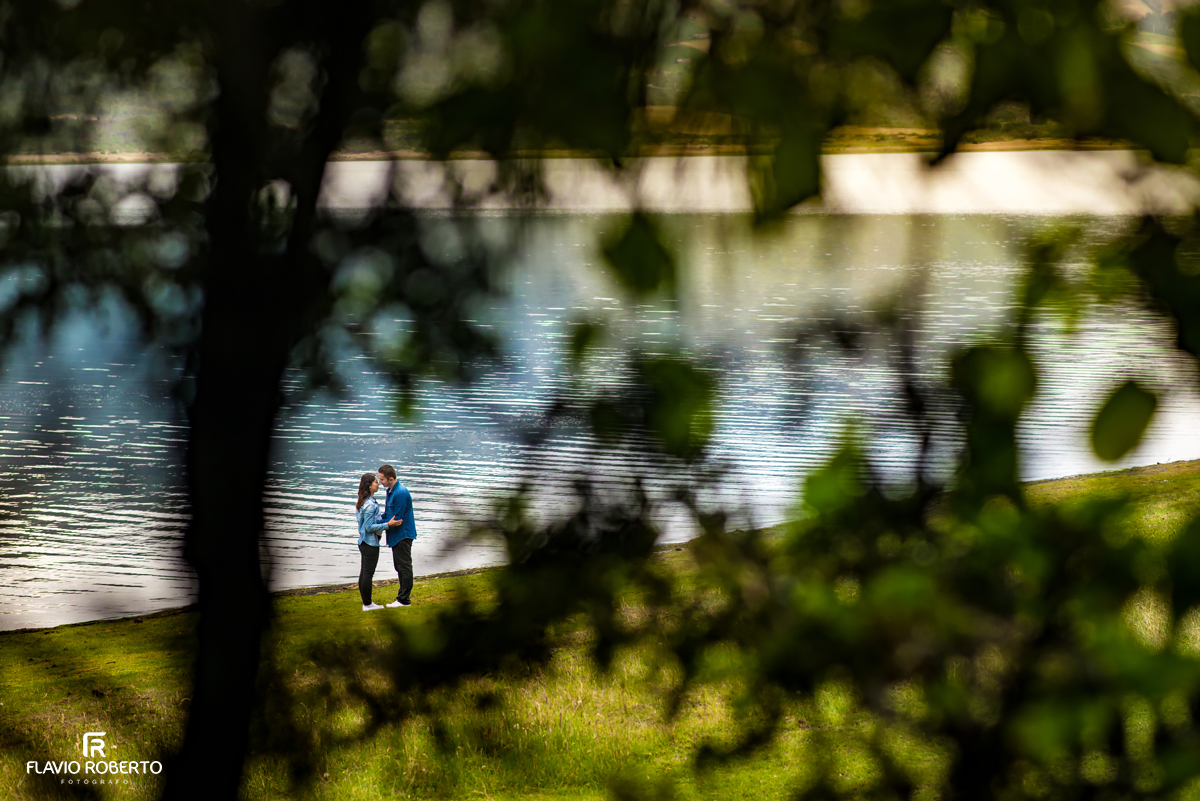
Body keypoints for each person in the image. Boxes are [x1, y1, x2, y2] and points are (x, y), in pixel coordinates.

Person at [355, 472, 401, 612]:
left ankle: (367, 603)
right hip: (369, 543)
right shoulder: (370, 505)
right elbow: (369, 527)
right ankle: (368, 605)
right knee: (368, 574)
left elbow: (367, 524)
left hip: (364, 542)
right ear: (369, 486)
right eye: (376, 481)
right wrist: (389, 525)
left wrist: (385, 520)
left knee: (364, 573)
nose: (378, 483)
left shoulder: (364, 501)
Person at [378, 464, 417, 607]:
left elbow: (397, 519)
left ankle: (404, 600)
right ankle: (402, 598)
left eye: (382, 479)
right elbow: (389, 516)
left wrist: (375, 522)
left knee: (404, 567)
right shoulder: (391, 490)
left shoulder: (400, 493)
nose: (380, 481)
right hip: (397, 535)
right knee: (399, 566)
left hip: (403, 535)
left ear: (391, 478)